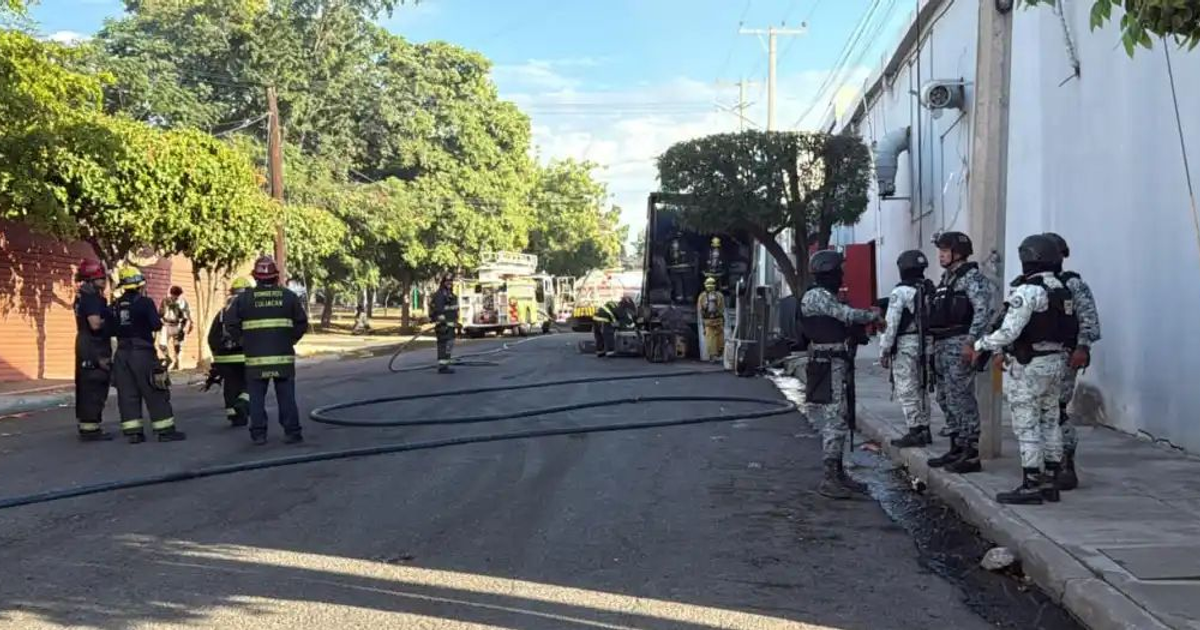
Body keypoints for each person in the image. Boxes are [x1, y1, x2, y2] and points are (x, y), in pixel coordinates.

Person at [974, 235, 1076, 505]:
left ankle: (1031, 482)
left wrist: (981, 344)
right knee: (1050, 420)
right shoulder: (1061, 288)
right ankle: (1051, 480)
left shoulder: (1028, 290)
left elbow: (1009, 331)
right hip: (1056, 361)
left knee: (1027, 424)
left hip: (1031, 365)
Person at [799, 250, 882, 499]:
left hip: (836, 361)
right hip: (827, 364)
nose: (842, 276)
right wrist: (872, 315)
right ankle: (830, 478)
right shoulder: (816, 296)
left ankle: (838, 472)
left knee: (842, 415)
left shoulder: (826, 296)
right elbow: (846, 315)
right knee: (834, 418)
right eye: (839, 271)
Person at [926, 231, 995, 474]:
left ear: (958, 253)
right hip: (942, 344)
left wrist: (972, 342)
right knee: (945, 397)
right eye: (940, 251)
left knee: (961, 398)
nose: (941, 255)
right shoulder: (948, 279)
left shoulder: (971, 278)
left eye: (945, 251)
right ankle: (957, 446)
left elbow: (983, 311)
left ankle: (971, 452)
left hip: (959, 343)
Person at [226, 256, 308, 445]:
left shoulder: (244, 299)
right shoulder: (288, 296)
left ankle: (258, 434)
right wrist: (290, 340)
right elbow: (301, 323)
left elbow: (230, 324)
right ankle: (292, 432)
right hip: (283, 357)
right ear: (276, 276)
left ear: (256, 277)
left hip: (256, 359)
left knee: (256, 398)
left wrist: (244, 341)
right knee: (286, 397)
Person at [1042, 232, 1100, 491]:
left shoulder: (1072, 284)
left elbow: (1088, 318)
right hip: (1037, 358)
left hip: (1065, 354)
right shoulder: (1036, 283)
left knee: (1057, 409)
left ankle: (1065, 464)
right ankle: (1048, 462)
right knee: (1040, 411)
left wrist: (1082, 347)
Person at [112, 267, 186, 443]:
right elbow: (155, 325)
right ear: (140, 285)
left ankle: (134, 433)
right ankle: (164, 431)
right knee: (155, 389)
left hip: (122, 354)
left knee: (127, 393)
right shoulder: (145, 303)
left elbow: (110, 328)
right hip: (142, 352)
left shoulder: (115, 305)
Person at [881, 250, 936, 448]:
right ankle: (925, 429)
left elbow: (891, 324)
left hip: (906, 344)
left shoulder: (901, 292)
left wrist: (885, 349)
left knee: (906, 388)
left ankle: (915, 430)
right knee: (922, 387)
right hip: (927, 344)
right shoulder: (929, 289)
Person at [73, 259, 115, 441]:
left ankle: (88, 426)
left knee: (87, 385)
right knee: (95, 385)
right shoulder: (91, 297)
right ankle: (91, 429)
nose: (104, 281)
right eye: (102, 278)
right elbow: (95, 324)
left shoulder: (82, 296)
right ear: (92, 278)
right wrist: (112, 320)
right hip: (93, 346)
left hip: (86, 344)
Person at [208, 277, 253, 427]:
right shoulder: (250, 311)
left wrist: (216, 357)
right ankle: (243, 403)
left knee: (230, 384)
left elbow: (212, 337)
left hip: (223, 358)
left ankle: (234, 415)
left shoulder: (222, 313)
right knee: (252, 382)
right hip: (245, 356)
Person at [429, 273, 459, 374]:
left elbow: (453, 310)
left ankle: (445, 364)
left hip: (450, 326)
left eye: (451, 281)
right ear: (443, 282)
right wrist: (442, 323)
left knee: (449, 345)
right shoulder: (440, 295)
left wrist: (456, 322)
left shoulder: (451, 295)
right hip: (443, 326)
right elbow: (439, 310)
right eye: (447, 281)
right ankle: (442, 366)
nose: (449, 283)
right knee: (443, 345)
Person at [158, 285, 192, 370]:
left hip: (177, 325)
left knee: (177, 345)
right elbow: (160, 312)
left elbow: (186, 315)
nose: (175, 297)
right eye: (174, 295)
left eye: (177, 295)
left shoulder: (182, 302)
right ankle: (167, 358)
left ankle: (177, 361)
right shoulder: (165, 301)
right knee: (162, 344)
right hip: (166, 324)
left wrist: (184, 326)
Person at [697, 276, 726, 363]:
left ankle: (712, 356)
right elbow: (722, 308)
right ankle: (720, 354)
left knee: (710, 339)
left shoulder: (702, 296)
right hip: (718, 321)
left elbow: (700, 309)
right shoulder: (719, 295)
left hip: (708, 322)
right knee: (720, 339)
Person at [667, 231, 695, 305]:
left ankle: (681, 299)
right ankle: (683, 299)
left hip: (680, 269)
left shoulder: (673, 243)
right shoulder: (687, 243)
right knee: (681, 284)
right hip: (683, 269)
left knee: (680, 284)